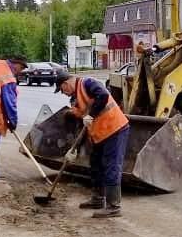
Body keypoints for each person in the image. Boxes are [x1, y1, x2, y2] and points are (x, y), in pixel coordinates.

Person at [54, 69, 131, 218]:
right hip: (100, 135)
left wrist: (91, 114)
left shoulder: (88, 83)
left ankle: (113, 206)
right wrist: (74, 148)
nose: (63, 93)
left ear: (66, 83)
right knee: (95, 165)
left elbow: (103, 95)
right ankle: (98, 198)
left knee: (111, 165)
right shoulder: (75, 99)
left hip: (115, 129)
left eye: (62, 89)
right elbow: (82, 125)